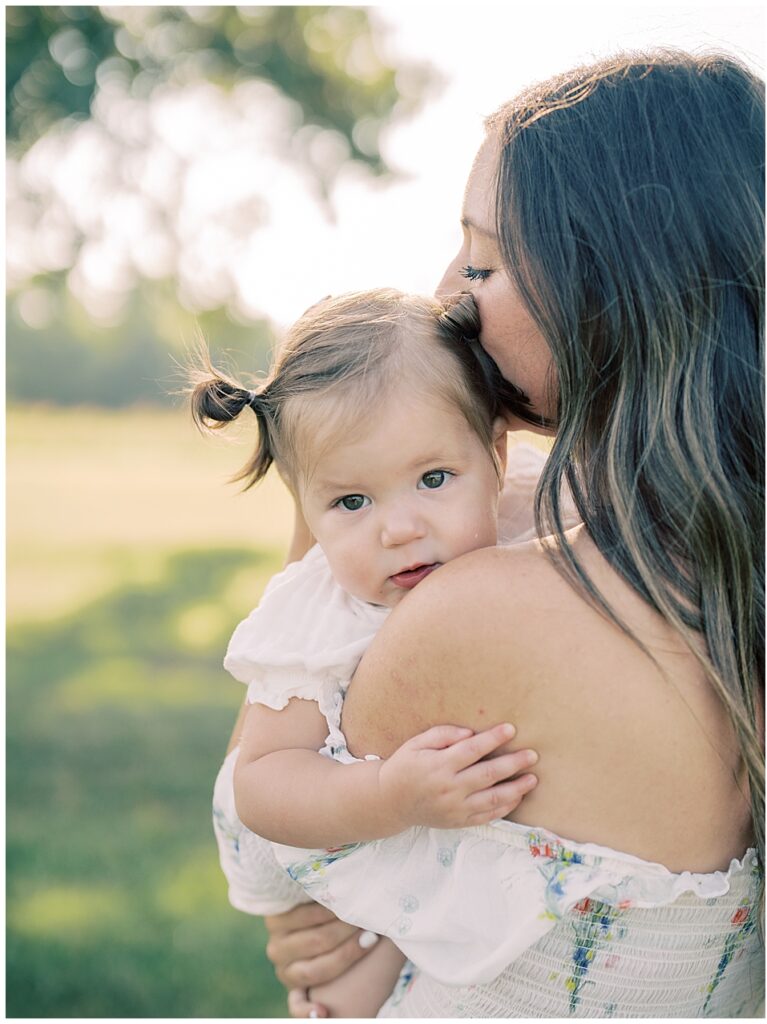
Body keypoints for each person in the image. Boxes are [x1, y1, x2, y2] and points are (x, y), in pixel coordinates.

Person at [257, 50, 764, 1018]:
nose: (448, 293)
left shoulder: (489, 608)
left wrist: (329, 486)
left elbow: (268, 833)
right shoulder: (729, 564)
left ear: (613, 288)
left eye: (483, 261)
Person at [194, 289, 553, 1017]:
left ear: (495, 453)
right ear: (305, 504)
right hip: (320, 820)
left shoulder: (525, 506)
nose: (398, 528)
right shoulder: (318, 614)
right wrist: (388, 796)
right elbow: (261, 782)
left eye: (432, 480)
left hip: (412, 796)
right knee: (360, 978)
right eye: (351, 502)